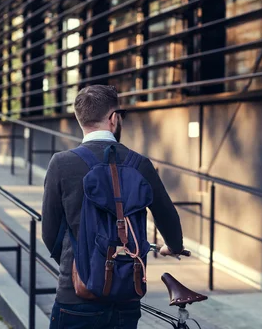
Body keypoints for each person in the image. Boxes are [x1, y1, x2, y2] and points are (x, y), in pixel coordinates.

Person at [42, 85, 184, 329]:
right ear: (113, 118)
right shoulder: (139, 164)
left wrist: (77, 262)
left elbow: (49, 233)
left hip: (75, 294)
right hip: (126, 292)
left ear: (81, 120)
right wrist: (174, 246)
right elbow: (167, 216)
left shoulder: (62, 163)